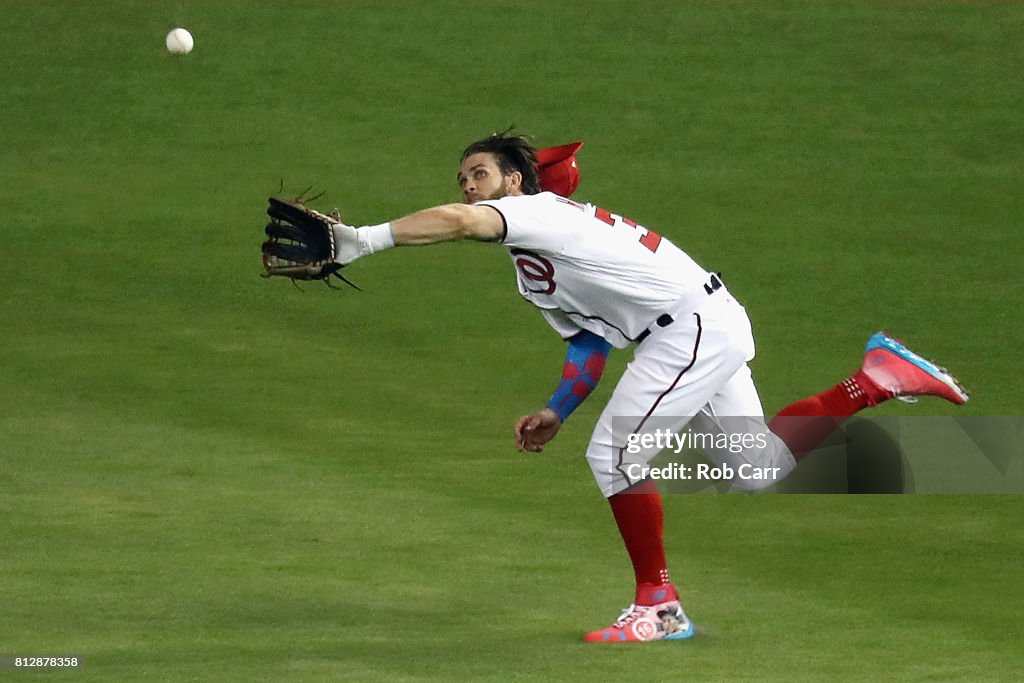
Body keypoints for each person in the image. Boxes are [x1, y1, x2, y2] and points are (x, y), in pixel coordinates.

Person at [329, 131, 969, 643]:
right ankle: (878, 377)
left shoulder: (536, 214)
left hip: (689, 327)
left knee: (614, 456)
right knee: (757, 469)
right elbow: (587, 343)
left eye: (481, 174)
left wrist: (364, 241)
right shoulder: (532, 266)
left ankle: (658, 607)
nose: (469, 186)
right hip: (701, 327)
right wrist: (558, 409)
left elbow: (459, 223)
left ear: (515, 183)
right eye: (463, 177)